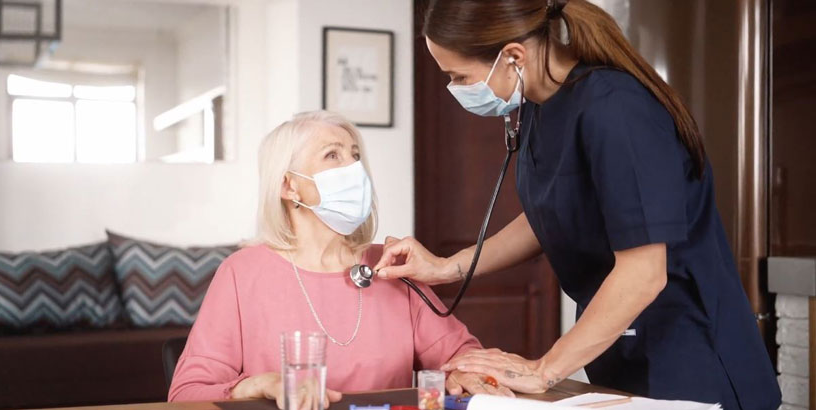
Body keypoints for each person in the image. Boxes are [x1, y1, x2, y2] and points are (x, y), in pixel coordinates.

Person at [372, 1, 781, 408]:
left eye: (459, 76)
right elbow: (549, 213)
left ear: (513, 56)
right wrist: (448, 267)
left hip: (692, 355)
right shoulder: (539, 106)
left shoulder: (616, 110)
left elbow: (644, 272)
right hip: (622, 352)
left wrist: (544, 369)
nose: (457, 89)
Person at [168, 111, 507, 407]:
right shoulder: (241, 273)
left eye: (355, 155)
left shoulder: (390, 265)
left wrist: (463, 372)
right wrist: (259, 385)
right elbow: (187, 393)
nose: (353, 168)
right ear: (289, 187)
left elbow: (461, 355)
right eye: (332, 155)